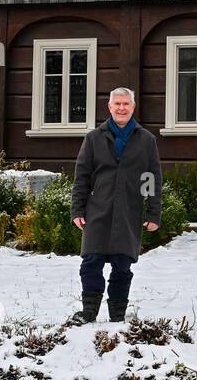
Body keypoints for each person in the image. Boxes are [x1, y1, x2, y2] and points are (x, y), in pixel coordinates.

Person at [69, 86, 162, 324]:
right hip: (97, 210)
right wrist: (77, 209)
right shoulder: (93, 138)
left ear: (133, 107)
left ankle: (117, 315)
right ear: (109, 107)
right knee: (91, 262)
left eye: (126, 104)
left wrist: (153, 213)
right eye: (117, 104)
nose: (121, 108)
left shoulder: (146, 140)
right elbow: (82, 177)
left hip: (128, 212)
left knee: (123, 266)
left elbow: (151, 178)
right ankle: (89, 312)